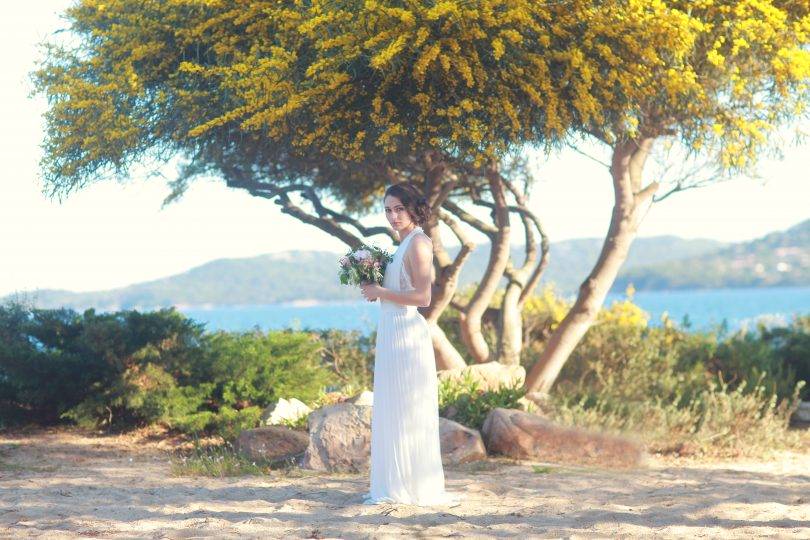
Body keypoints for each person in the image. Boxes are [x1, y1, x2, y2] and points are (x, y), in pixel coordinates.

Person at [358, 182, 461, 506]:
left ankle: (412, 486)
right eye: (388, 210)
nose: (393, 215)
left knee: (407, 410)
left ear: (413, 208)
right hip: (391, 331)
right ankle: (394, 482)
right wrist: (373, 286)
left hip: (406, 333)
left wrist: (382, 292)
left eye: (399, 208)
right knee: (393, 408)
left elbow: (423, 297)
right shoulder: (401, 244)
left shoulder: (419, 243)